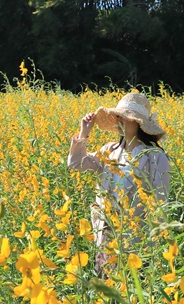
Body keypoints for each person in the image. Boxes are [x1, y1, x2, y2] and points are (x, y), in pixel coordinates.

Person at [66, 92, 172, 278]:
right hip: (107, 235)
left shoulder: (156, 157)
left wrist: (153, 244)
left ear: (138, 123)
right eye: (118, 116)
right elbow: (76, 163)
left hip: (137, 238)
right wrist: (85, 132)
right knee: (107, 292)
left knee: (133, 293)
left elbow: (159, 202)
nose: (119, 120)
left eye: (125, 117)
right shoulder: (109, 151)